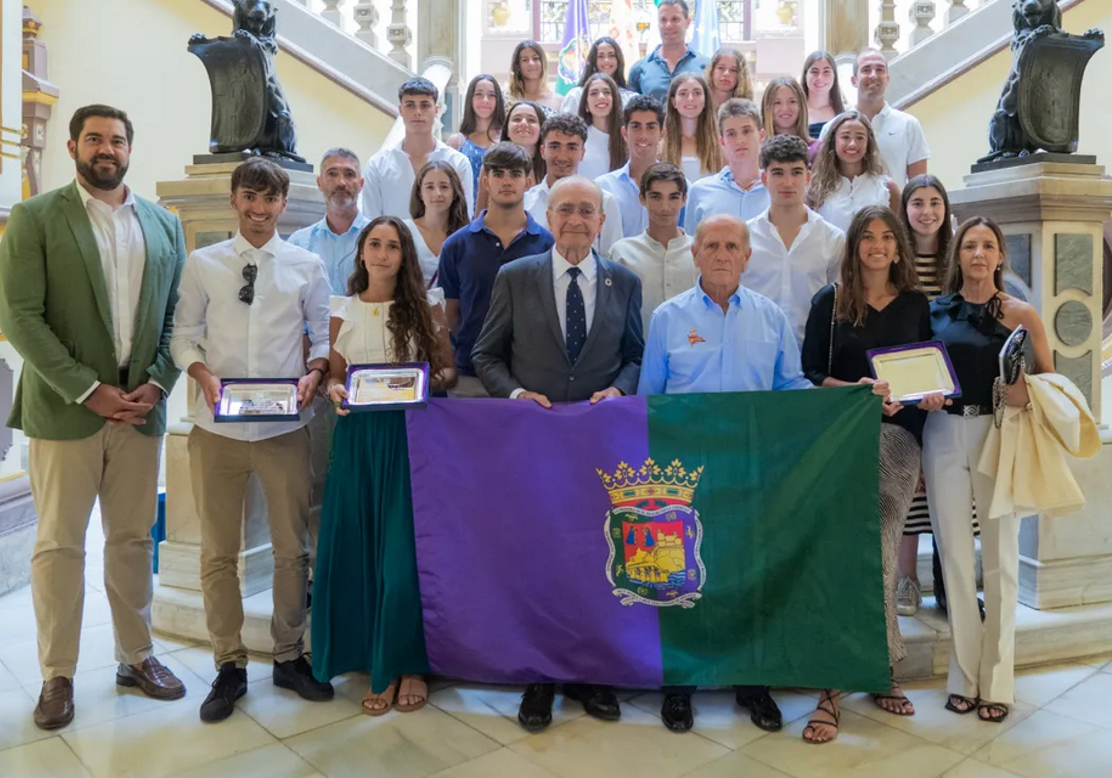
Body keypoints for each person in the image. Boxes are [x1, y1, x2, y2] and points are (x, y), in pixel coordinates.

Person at [0, 104, 187, 730]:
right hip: (65, 412)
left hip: (140, 414)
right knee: (60, 544)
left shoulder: (164, 224)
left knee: (133, 540)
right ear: (75, 146)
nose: (107, 149)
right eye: (96, 139)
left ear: (131, 149)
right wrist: (89, 390)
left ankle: (136, 657)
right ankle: (58, 674)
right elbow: (22, 318)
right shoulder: (35, 218)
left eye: (119, 140)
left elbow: (176, 322)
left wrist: (158, 383)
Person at [471, 175, 643, 733]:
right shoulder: (515, 277)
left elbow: (637, 357)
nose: (575, 219)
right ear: (548, 214)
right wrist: (518, 396)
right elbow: (486, 354)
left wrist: (619, 389)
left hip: (599, 447)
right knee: (540, 559)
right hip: (535, 447)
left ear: (601, 220)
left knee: (599, 557)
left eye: (586, 210)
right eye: (565, 208)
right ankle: (541, 676)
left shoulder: (626, 282)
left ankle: (594, 674)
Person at [171, 158, 334, 722]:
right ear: (234, 200)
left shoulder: (306, 264)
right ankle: (228, 664)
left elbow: (320, 338)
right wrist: (204, 377)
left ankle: (289, 655)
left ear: (283, 204)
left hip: (283, 428)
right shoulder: (203, 263)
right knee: (219, 552)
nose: (259, 210)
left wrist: (314, 374)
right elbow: (184, 336)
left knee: (293, 548)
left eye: (269, 200)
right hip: (216, 430)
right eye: (249, 198)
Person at [639, 213, 809, 734]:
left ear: (746, 255)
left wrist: (847, 398)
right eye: (710, 244)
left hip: (750, 467)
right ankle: (680, 685)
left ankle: (751, 682)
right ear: (694, 254)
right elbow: (650, 398)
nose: (720, 254)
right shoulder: (667, 318)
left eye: (731, 245)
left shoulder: (771, 317)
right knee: (680, 575)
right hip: (683, 473)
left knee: (746, 574)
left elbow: (791, 388)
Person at [800, 204, 948, 743]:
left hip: (898, 440)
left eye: (888, 236)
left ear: (898, 247)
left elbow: (931, 371)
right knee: (843, 549)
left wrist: (930, 398)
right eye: (869, 237)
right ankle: (859, 673)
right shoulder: (830, 301)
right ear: (855, 245)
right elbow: (810, 374)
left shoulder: (914, 303)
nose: (878, 245)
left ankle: (856, 675)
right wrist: (857, 392)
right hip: (841, 439)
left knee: (881, 546)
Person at [314, 216, 458, 715]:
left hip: (409, 439)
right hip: (357, 441)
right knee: (362, 548)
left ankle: (409, 663)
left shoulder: (427, 307)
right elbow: (336, 377)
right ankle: (372, 659)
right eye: (374, 244)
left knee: (402, 556)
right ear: (361, 253)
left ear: (404, 255)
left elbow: (448, 370)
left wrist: (417, 380)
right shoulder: (342, 310)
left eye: (392, 246)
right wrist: (335, 390)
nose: (382, 253)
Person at [925, 216, 1053, 724]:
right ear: (957, 256)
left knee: (999, 555)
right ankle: (964, 676)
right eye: (969, 245)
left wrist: (1024, 391)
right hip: (942, 432)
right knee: (954, 557)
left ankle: (998, 680)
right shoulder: (935, 311)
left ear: (1001, 257)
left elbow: (1051, 380)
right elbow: (918, 368)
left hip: (1000, 433)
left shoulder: (1022, 314)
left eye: (988, 246)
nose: (978, 254)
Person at [896, 175, 979, 617]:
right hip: (911, 387)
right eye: (917, 203)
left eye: (935, 202)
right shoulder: (896, 261)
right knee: (913, 485)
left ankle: (952, 584)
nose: (926, 211)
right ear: (904, 209)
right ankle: (906, 581)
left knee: (953, 493)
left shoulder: (958, 257)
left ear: (946, 209)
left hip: (954, 389)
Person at [438, 142, 553, 398]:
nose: (507, 181)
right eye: (498, 174)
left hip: (530, 377)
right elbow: (450, 316)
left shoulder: (548, 245)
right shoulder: (456, 245)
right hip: (469, 376)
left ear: (529, 181)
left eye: (515, 174)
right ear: (485, 181)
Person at [742, 135, 843, 346]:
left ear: (807, 177)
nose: (788, 182)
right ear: (764, 179)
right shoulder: (744, 237)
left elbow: (838, 307)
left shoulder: (832, 239)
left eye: (796, 173)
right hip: (755, 353)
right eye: (778, 173)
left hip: (813, 358)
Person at [361, 77, 474, 220]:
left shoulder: (457, 163)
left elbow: (464, 220)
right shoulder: (378, 165)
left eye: (425, 105)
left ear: (436, 110)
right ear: (401, 110)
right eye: (410, 105)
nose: (418, 112)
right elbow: (371, 222)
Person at [608, 163, 695, 337]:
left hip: (693, 357)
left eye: (673, 197)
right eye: (656, 197)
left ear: (684, 199)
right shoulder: (622, 253)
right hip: (639, 356)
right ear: (642, 198)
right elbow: (612, 315)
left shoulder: (699, 251)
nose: (665, 207)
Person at [524, 114, 625, 254]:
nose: (562, 156)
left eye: (571, 148)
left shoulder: (604, 201)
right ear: (542, 151)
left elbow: (611, 259)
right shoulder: (525, 203)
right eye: (555, 146)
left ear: (582, 153)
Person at [287, 148, 368, 295]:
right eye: (332, 174)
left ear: (361, 184)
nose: (341, 182)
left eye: (349, 174)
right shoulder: (298, 244)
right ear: (319, 183)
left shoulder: (378, 240)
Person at [808, 110, 900, 233]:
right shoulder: (815, 189)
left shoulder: (887, 188)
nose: (852, 144)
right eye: (845, 137)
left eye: (860, 138)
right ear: (833, 140)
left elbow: (896, 237)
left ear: (868, 142)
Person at [686, 98, 769, 233]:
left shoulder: (777, 190)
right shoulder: (700, 192)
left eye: (746, 131)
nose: (740, 140)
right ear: (722, 141)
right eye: (731, 134)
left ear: (761, 135)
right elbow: (691, 247)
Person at [852, 48, 930, 187]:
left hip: (892, 208)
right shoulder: (834, 127)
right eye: (866, 69)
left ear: (887, 79)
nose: (873, 75)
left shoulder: (909, 125)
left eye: (880, 70)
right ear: (854, 80)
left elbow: (918, 187)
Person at [596, 95, 667, 238]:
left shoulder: (679, 186)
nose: (643, 135)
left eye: (651, 127)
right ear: (624, 133)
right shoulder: (602, 187)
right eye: (636, 127)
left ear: (662, 133)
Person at [627, 0, 711, 103]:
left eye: (675, 19)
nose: (668, 25)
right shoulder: (639, 69)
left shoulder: (706, 66)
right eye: (663, 20)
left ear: (687, 22)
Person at [406, 160, 470, 287]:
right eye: (430, 187)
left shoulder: (466, 235)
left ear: (455, 192)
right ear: (420, 193)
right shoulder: (405, 231)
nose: (437, 193)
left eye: (444, 187)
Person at [447, 74, 506, 208]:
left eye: (491, 95)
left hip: (499, 217)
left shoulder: (507, 140)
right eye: (479, 94)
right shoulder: (457, 142)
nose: (485, 100)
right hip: (464, 219)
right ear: (470, 99)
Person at [661, 74, 721, 184]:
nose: (690, 99)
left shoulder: (719, 146)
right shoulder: (660, 145)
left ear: (705, 101)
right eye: (683, 93)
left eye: (697, 93)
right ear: (673, 101)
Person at [560, 36, 637, 115]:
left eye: (611, 55)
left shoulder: (630, 98)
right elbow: (565, 125)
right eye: (601, 56)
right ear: (593, 60)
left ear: (618, 60)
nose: (606, 60)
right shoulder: (576, 95)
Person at [576, 73, 628, 180]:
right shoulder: (578, 138)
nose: (601, 97)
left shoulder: (627, 137)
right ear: (586, 104)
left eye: (607, 92)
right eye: (594, 93)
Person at [801, 50, 846, 140]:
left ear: (834, 76)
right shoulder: (796, 112)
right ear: (806, 75)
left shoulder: (845, 112)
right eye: (814, 72)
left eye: (826, 72)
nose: (820, 78)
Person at [507, 39, 562, 110]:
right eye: (525, 60)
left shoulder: (558, 101)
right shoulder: (508, 100)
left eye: (535, 59)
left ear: (542, 63)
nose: (531, 63)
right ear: (518, 66)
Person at [761, 76, 811, 144]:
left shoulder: (817, 149)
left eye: (792, 101)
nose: (785, 108)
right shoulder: (758, 150)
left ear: (801, 106)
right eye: (777, 103)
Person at [705, 47, 754, 113]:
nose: (726, 74)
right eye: (721, 68)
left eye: (733, 70)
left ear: (741, 75)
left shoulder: (748, 111)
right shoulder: (699, 104)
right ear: (711, 71)